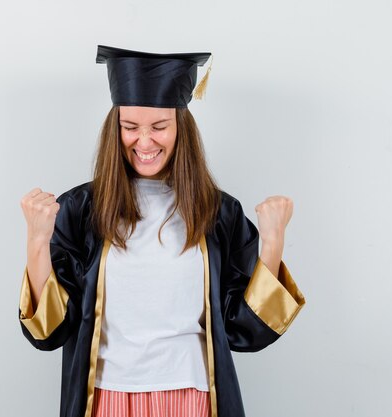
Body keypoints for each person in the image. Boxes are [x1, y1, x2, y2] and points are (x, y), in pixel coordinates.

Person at [17, 45, 306, 417]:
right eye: (130, 127)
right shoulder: (80, 210)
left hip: (191, 397)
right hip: (105, 398)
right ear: (114, 128)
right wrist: (37, 241)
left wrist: (273, 243)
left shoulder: (218, 213)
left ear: (181, 127)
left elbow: (244, 331)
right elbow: (49, 332)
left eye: (159, 127)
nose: (145, 141)